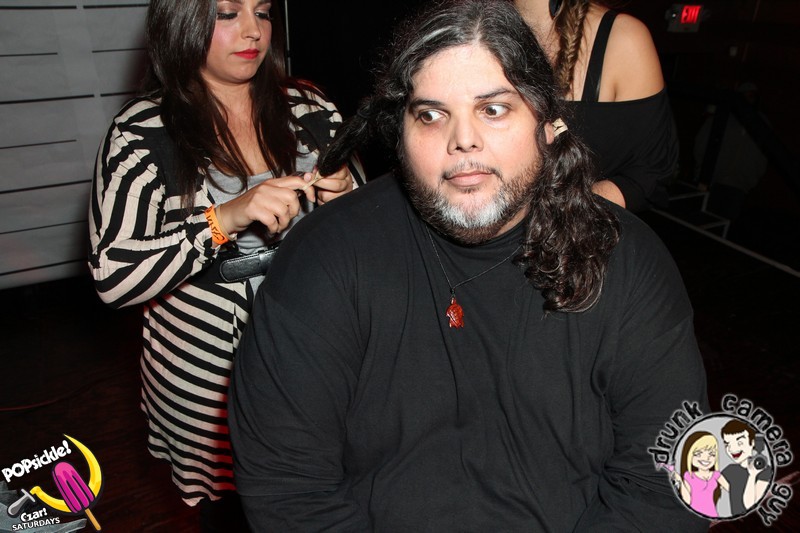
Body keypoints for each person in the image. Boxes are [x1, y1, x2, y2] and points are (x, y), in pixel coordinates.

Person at [228, 0, 707, 530]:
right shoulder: (325, 259)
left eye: (493, 109)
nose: (463, 140)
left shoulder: (627, 260)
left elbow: (666, 481)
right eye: (431, 115)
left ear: (549, 125)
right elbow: (289, 489)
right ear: (400, 134)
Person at [87, 0, 363, 530]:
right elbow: (112, 276)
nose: (252, 31)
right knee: (238, 514)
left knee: (328, 499)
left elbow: (374, 231)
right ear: (182, 22)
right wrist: (223, 220)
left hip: (326, 360)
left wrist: (346, 197)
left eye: (262, 11)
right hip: (213, 378)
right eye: (227, 14)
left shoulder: (309, 108)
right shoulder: (142, 131)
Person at [513, 0, 679, 212]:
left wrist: (555, 210)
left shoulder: (623, 39)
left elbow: (650, 173)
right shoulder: (477, 28)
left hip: (574, 228)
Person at [720, 420, 773, 516]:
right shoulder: (730, 469)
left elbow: (749, 505)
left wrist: (752, 475)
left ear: (752, 443)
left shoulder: (764, 471)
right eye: (727, 444)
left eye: (740, 443)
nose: (732, 449)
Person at [671, 431, 729, 517]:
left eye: (712, 454)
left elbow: (732, 490)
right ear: (689, 455)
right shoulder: (689, 476)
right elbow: (687, 501)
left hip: (712, 515)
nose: (706, 458)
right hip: (693, 516)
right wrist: (679, 481)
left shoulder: (716, 475)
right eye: (698, 454)